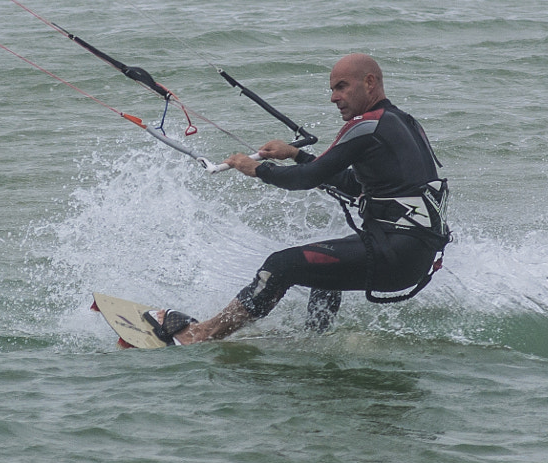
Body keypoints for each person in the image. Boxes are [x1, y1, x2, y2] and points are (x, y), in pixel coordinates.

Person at [154, 54, 450, 344]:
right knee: (323, 271)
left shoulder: (366, 126)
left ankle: (203, 333)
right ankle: (315, 341)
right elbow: (351, 183)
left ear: (369, 82)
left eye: (341, 86)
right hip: (411, 253)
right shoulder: (402, 123)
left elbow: (307, 179)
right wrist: (296, 154)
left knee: (282, 264)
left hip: (396, 251)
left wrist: (257, 168)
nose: (334, 97)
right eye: (332, 89)